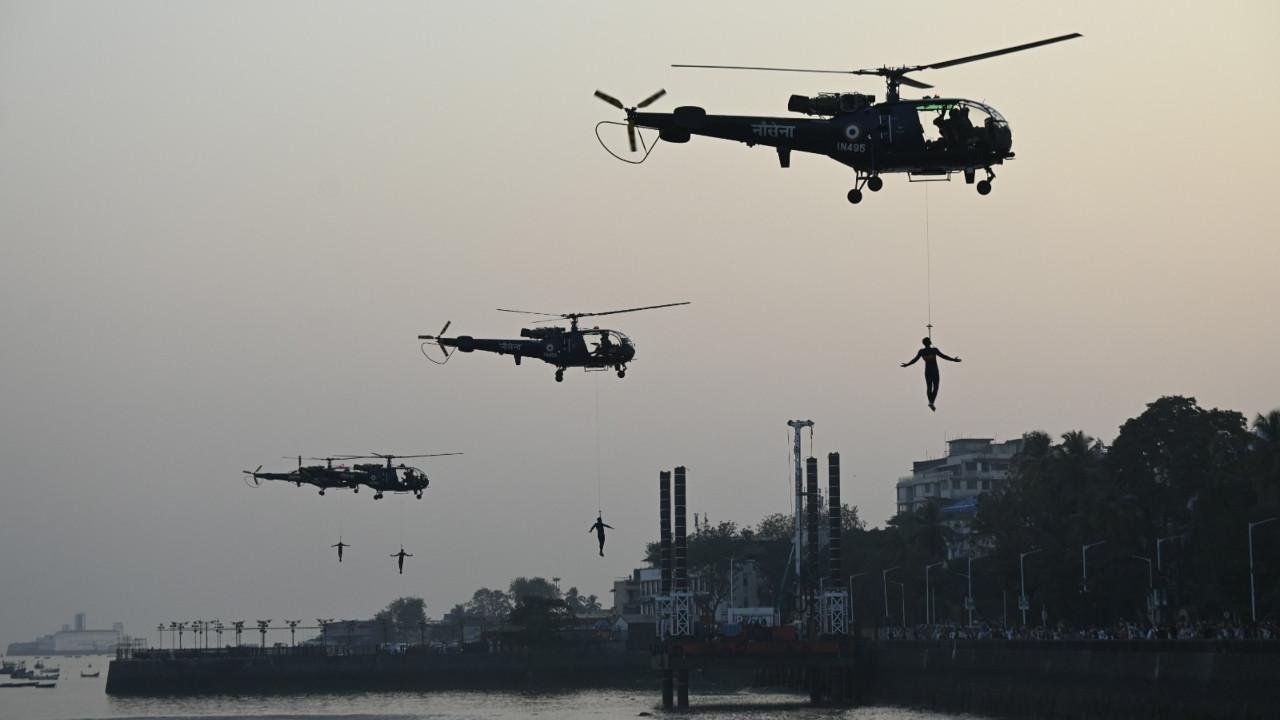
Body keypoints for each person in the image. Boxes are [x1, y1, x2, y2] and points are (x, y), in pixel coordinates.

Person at [900, 337, 961, 411]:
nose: (931, 341)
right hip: (934, 371)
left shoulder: (922, 351)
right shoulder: (934, 350)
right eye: (929, 340)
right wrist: (953, 360)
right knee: (935, 387)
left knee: (929, 387)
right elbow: (943, 356)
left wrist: (907, 364)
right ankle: (931, 402)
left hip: (927, 371)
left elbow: (915, 359)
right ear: (928, 342)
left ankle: (930, 402)